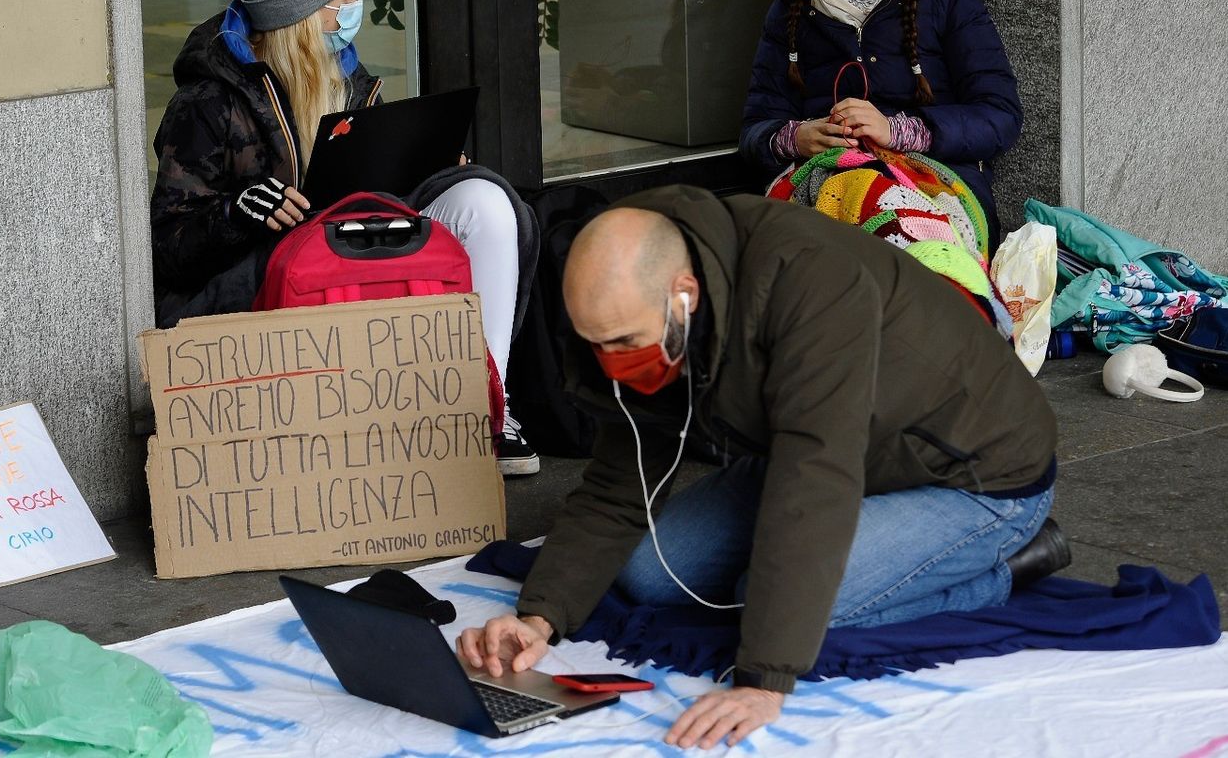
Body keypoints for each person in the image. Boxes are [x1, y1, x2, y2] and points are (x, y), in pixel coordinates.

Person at [457, 186, 1068, 749]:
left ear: (684, 295)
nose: (611, 362)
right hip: (830, 450)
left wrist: (764, 679)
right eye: (595, 343)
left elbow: (815, 483)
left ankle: (1007, 565)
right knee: (647, 571)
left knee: (774, 604)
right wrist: (540, 617)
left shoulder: (812, 282)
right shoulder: (634, 301)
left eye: (623, 343)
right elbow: (621, 483)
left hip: (973, 473)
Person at [150, 0, 540, 475]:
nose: (353, 9)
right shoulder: (207, 103)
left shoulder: (347, 75)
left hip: (354, 248)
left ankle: (488, 407)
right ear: (301, 15)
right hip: (272, 287)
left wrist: (429, 164)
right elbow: (166, 246)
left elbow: (369, 175)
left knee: (483, 201)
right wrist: (235, 215)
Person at [739, 0, 1021, 246]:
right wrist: (794, 138)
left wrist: (900, 131)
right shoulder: (792, 5)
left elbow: (1000, 115)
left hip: (934, 181)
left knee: (898, 244)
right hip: (824, 178)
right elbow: (756, 126)